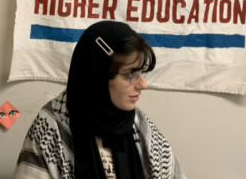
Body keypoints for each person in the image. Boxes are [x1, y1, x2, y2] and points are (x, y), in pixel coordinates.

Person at [14, 21, 186, 179]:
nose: (143, 84)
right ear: (97, 75)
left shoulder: (138, 124)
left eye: (141, 72)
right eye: (130, 74)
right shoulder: (51, 128)